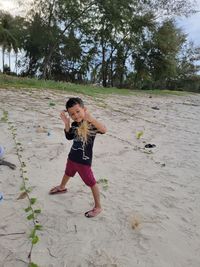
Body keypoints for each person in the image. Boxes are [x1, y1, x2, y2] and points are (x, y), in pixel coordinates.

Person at [49, 97, 107, 218]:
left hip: (84, 162)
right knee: (67, 173)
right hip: (72, 157)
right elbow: (69, 136)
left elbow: (104, 130)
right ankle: (62, 187)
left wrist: (91, 118)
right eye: (72, 114)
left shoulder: (90, 124)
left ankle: (98, 206)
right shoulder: (74, 124)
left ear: (84, 109)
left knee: (91, 183)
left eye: (78, 111)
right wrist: (66, 123)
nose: (75, 115)